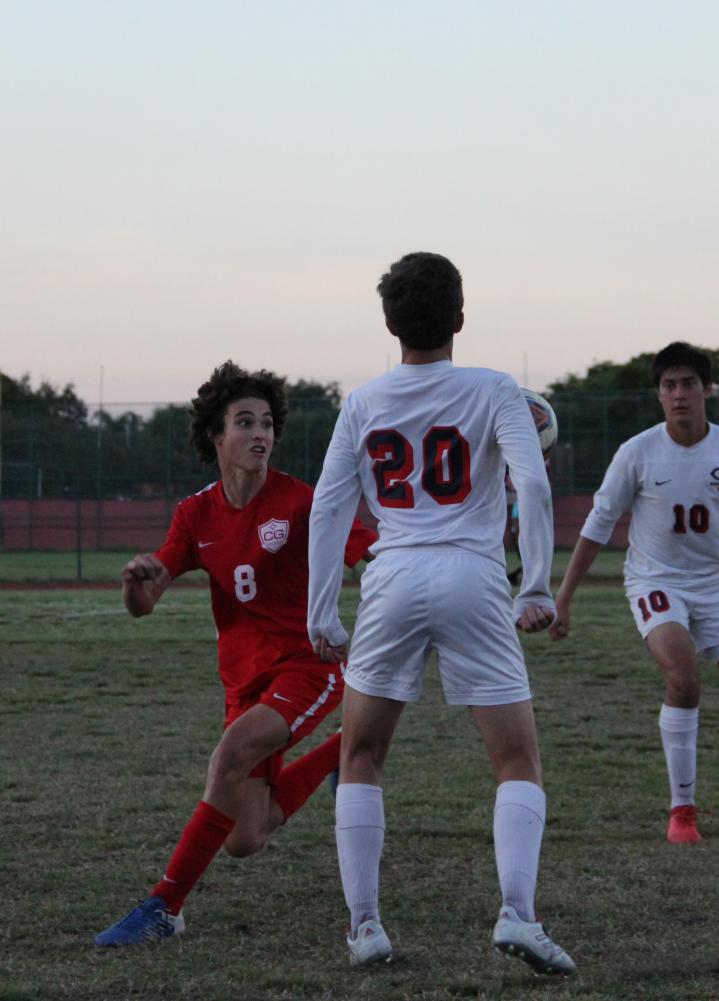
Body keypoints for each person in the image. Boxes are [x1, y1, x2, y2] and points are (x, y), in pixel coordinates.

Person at [307, 251, 576, 975]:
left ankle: (364, 926)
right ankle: (517, 912)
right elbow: (533, 485)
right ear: (459, 318)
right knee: (515, 758)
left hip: (391, 577)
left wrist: (321, 610)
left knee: (359, 756)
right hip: (472, 575)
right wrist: (538, 586)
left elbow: (330, 505)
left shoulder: (362, 402)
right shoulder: (494, 388)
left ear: (389, 323)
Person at [94, 361, 376, 947]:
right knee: (247, 835)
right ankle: (347, 750)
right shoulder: (195, 515)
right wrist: (134, 581)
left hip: (309, 663)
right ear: (215, 437)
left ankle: (162, 909)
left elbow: (370, 553)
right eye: (244, 422)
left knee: (230, 756)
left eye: (267, 423)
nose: (260, 434)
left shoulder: (304, 502)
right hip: (242, 682)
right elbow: (144, 603)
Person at [549, 341, 719, 844]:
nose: (679, 394)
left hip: (716, 584)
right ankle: (682, 809)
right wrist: (565, 597)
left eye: (689, 383)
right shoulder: (637, 451)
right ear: (659, 395)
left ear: (708, 389)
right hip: (655, 581)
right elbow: (598, 525)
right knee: (683, 680)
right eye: (669, 385)